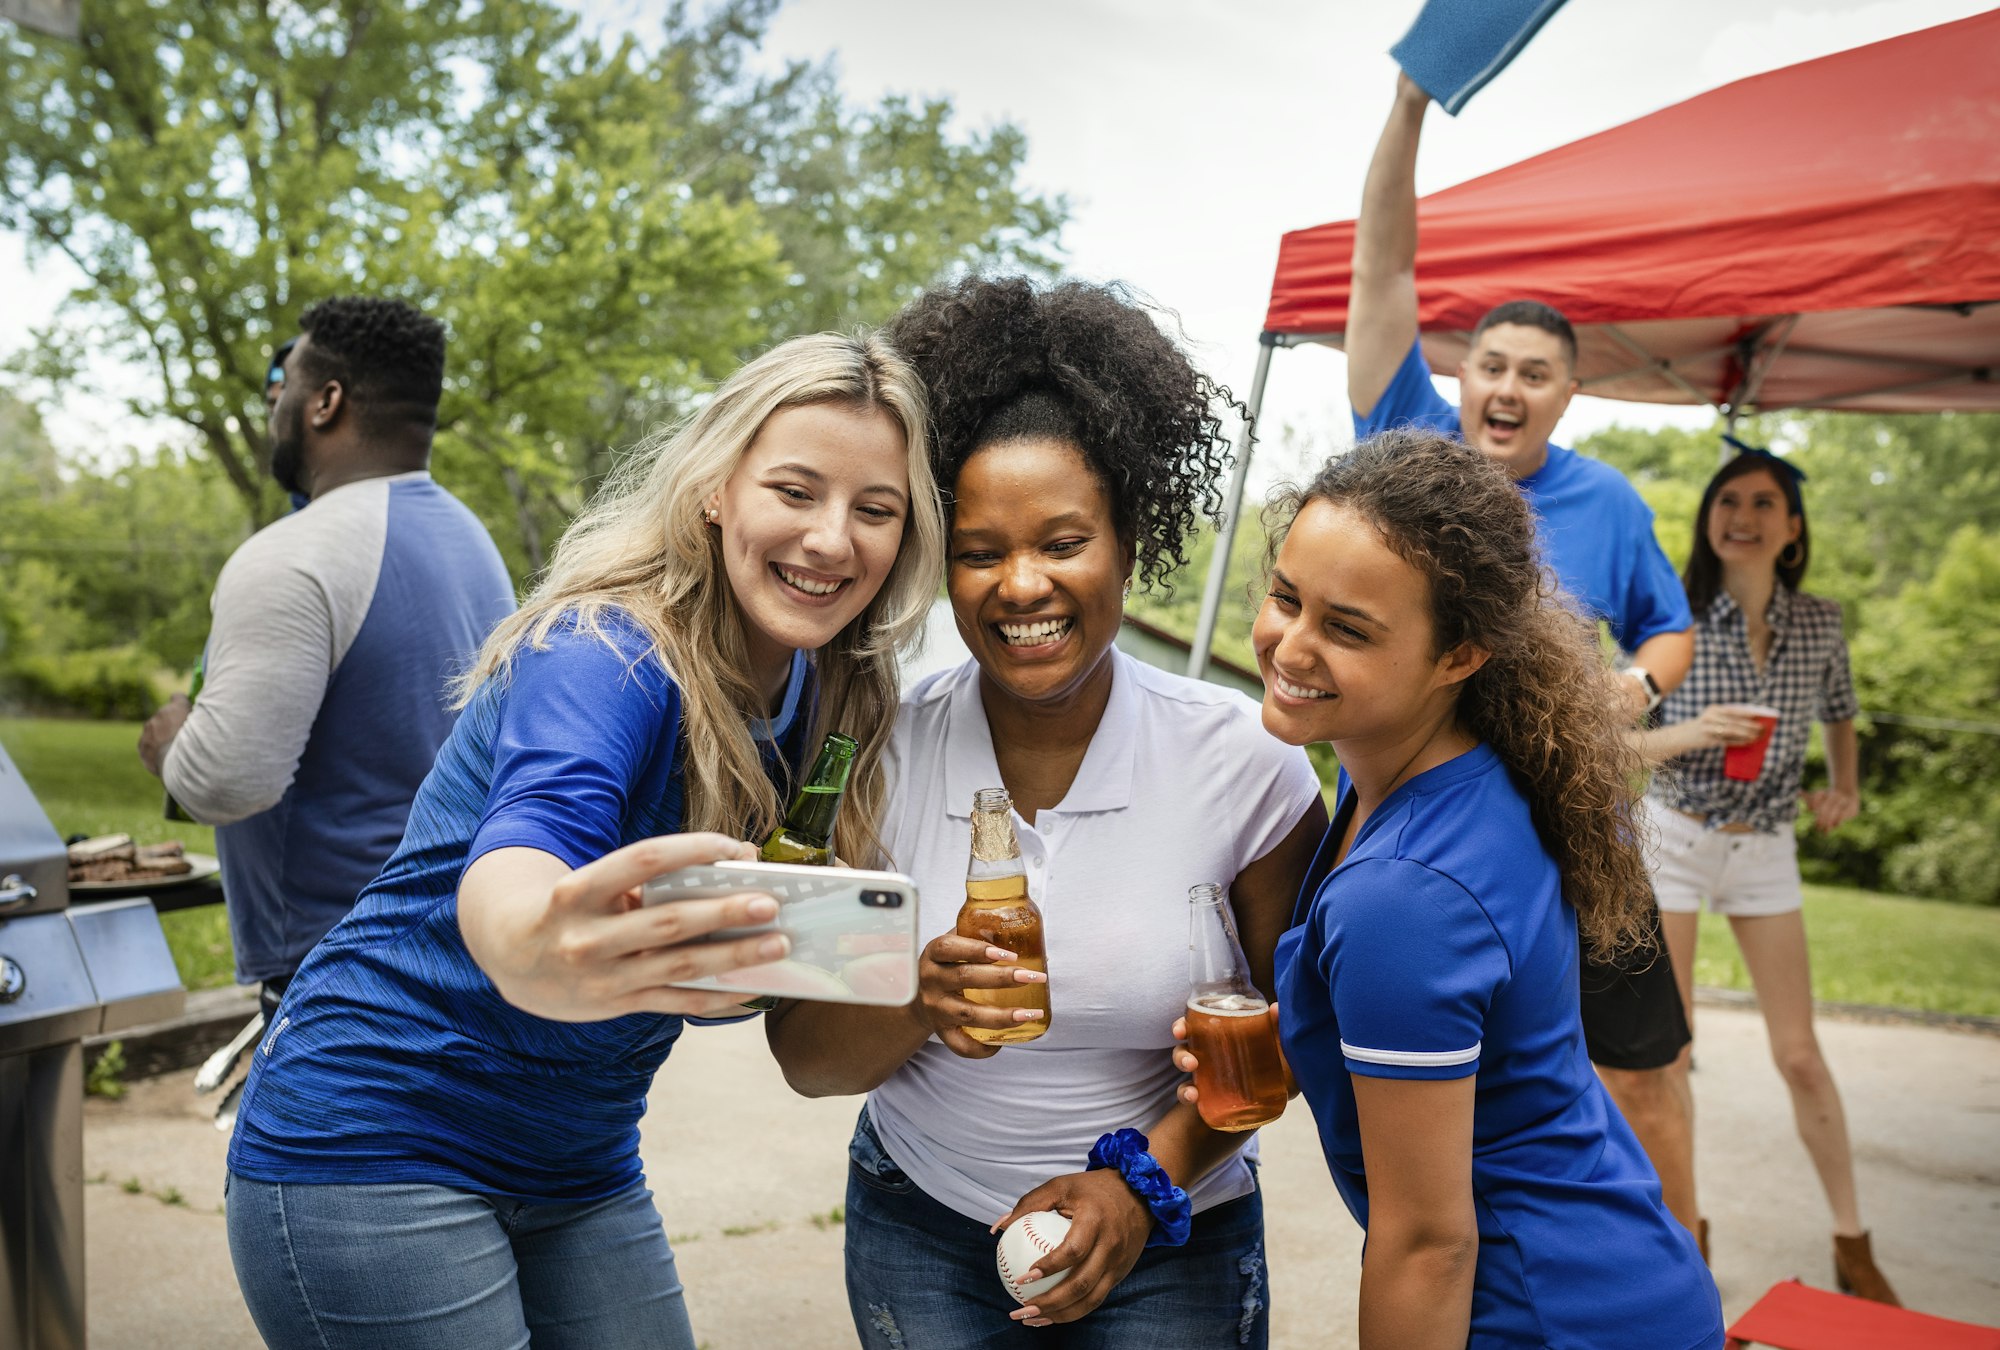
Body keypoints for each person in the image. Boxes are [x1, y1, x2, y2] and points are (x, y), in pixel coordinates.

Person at [222, 331, 946, 1349]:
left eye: (875, 509)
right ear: (714, 491)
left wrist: (878, 962)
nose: (833, 538)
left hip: (581, 1162)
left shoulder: (832, 695)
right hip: (374, 1137)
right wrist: (535, 943)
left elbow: (748, 996)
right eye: (794, 490)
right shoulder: (605, 649)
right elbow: (533, 838)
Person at [765, 277, 1327, 1346]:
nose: (1020, 585)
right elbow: (804, 1060)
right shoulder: (866, 753)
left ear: (1126, 540)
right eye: (979, 552)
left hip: (1172, 1243)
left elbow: (1284, 1044)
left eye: (1062, 542)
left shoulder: (1246, 762)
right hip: (919, 1231)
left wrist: (1137, 1190)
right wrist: (917, 996)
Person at [1204, 428, 1721, 1349]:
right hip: (1622, 1276)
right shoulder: (1461, 771)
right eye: (1287, 596)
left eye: (1349, 627)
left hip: (1546, 1315)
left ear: (1461, 657)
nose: (1291, 644)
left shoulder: (1405, 893)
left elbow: (1427, 1246)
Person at [1343, 71, 1704, 1236]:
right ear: (1460, 379)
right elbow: (1383, 272)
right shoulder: (1406, 448)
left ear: (1565, 393)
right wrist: (1405, 108)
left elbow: (1670, 625)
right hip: (1434, 833)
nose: (1503, 385)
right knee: (1462, 1088)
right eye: (1487, 364)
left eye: (1531, 372)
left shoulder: (1604, 502)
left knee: (1641, 1074)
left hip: (1578, 828)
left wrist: (1632, 684)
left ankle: (1679, 1258)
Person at [138, 298, 515, 1023]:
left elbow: (224, 783)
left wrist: (168, 744)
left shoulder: (297, 553)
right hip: (460, 947)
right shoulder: (471, 542)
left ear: (326, 401)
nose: (274, 406)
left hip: (340, 976)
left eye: (286, 383)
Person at [1636, 444, 1896, 1304]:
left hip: (1765, 843)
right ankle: (1686, 1238)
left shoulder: (1819, 620)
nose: (1740, 515)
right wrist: (1694, 730)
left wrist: (1844, 788)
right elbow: (1616, 743)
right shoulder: (1671, 621)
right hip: (1674, 832)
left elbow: (1841, 712)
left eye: (1761, 503)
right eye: (1727, 500)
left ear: (1792, 529)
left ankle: (1853, 1245)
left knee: (1802, 1057)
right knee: (1670, 1055)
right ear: (1710, 520)